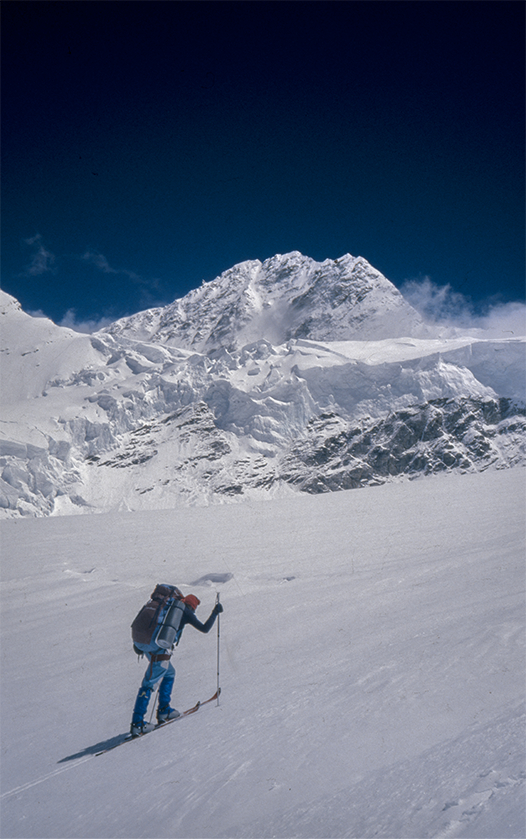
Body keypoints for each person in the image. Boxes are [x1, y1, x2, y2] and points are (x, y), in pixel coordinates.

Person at [130, 592, 223, 737]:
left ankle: (164, 710)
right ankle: (137, 724)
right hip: (159, 650)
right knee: (149, 684)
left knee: (169, 673)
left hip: (146, 645)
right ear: (192, 606)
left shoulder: (168, 606)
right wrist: (215, 612)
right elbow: (205, 629)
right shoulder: (186, 612)